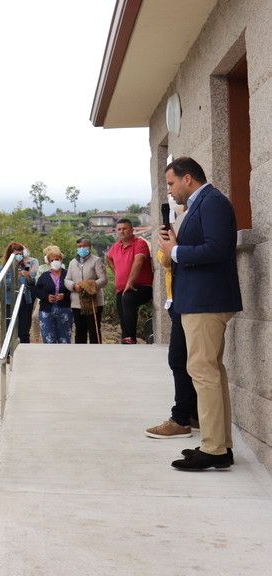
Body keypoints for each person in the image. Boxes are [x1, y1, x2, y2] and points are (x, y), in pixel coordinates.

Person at [158, 157, 242, 471]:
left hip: (206, 302)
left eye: (171, 183)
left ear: (188, 178)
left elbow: (219, 248)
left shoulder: (213, 202)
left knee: (203, 373)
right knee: (211, 374)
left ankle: (214, 449)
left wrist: (175, 251)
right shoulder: (199, 204)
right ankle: (218, 445)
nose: (169, 190)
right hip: (197, 301)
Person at [145, 202, 197, 440]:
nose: (170, 191)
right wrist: (168, 244)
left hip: (189, 301)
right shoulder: (172, 232)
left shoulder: (193, 225)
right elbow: (165, 262)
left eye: (171, 184)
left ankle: (181, 418)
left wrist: (175, 246)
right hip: (175, 301)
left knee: (180, 359)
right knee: (184, 360)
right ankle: (194, 413)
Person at [106, 218, 154, 344]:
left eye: (125, 228)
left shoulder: (139, 243)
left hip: (142, 287)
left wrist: (129, 282)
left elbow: (138, 262)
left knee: (127, 298)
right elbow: (108, 257)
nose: (122, 231)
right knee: (121, 303)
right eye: (119, 229)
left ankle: (130, 337)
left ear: (132, 230)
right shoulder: (116, 246)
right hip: (123, 289)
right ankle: (125, 337)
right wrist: (117, 272)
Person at [64, 238, 107, 344]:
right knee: (79, 330)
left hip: (93, 301)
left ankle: (96, 353)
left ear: (90, 247)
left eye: (84, 246)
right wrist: (74, 286)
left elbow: (103, 279)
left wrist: (89, 285)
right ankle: (80, 355)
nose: (81, 248)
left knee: (94, 329)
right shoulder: (72, 262)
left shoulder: (96, 260)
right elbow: (67, 279)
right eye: (79, 246)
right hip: (77, 302)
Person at [34, 246, 73, 344]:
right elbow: (37, 290)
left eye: (57, 259)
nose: (55, 261)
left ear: (61, 260)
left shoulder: (68, 274)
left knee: (64, 339)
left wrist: (65, 296)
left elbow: (73, 289)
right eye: (52, 260)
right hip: (46, 310)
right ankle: (49, 359)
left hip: (64, 310)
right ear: (49, 262)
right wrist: (46, 297)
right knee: (48, 339)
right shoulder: (44, 275)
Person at [3, 242, 39, 343]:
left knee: (24, 329)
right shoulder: (5, 268)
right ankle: (9, 353)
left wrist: (27, 275)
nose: (19, 256)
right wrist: (17, 276)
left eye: (20, 254)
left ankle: (25, 352)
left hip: (25, 300)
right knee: (10, 328)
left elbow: (32, 283)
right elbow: (5, 284)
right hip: (11, 301)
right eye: (16, 254)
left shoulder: (27, 265)